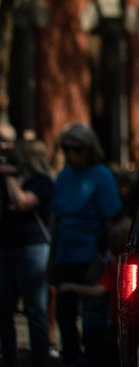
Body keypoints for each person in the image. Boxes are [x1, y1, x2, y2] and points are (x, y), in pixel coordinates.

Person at [50, 123, 123, 367]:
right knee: (64, 314)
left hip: (91, 253)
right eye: (66, 149)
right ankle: (71, 358)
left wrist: (109, 256)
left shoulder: (101, 175)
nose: (71, 154)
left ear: (89, 149)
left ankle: (94, 360)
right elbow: (56, 220)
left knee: (92, 317)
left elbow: (111, 218)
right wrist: (51, 259)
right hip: (65, 252)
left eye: (77, 149)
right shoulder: (64, 175)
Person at [0, 127, 55, 367]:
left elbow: (23, 203)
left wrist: (9, 178)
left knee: (35, 310)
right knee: (3, 309)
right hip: (6, 247)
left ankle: (40, 360)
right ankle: (9, 359)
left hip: (33, 248)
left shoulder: (42, 182)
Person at [57, 217, 130, 367]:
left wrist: (71, 287)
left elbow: (98, 291)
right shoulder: (131, 269)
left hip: (116, 325)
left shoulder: (113, 270)